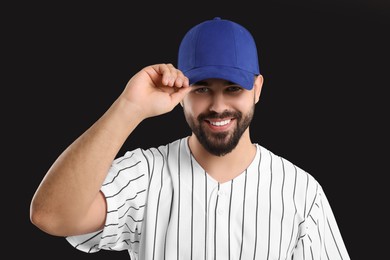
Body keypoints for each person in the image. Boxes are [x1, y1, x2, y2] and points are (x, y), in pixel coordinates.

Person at [30, 17, 350, 260]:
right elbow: (52, 216)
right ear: (181, 93)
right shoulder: (145, 173)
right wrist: (129, 107)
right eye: (202, 89)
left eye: (233, 88)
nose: (218, 105)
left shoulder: (300, 191)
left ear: (258, 89)